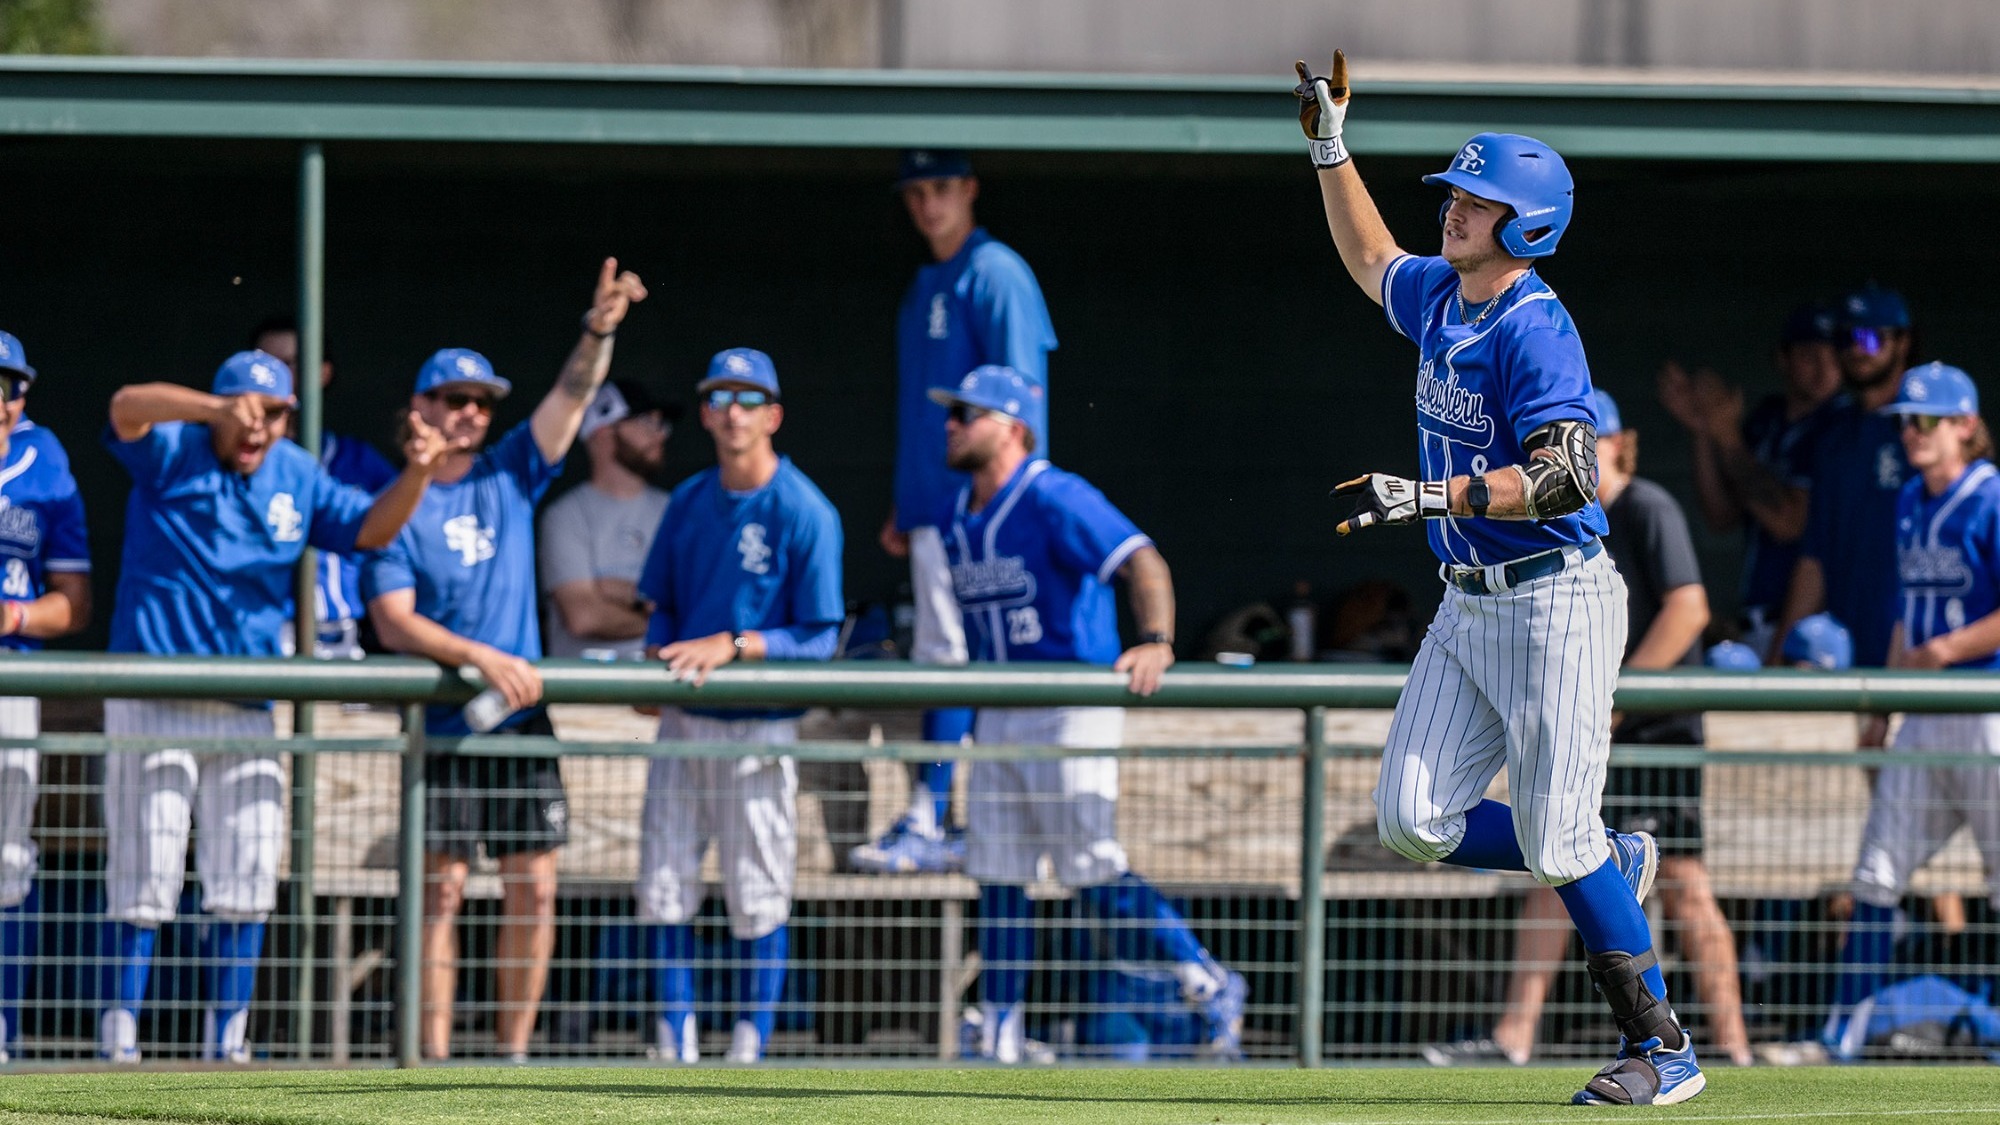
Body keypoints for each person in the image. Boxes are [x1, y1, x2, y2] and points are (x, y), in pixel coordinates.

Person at [1295, 52, 1702, 1104]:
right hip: (1467, 604)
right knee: (1410, 822)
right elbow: (1368, 255)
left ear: (1528, 225)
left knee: (1553, 837)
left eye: (1478, 202)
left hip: (1555, 596)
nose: (1455, 212)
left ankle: (1664, 1052)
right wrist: (1328, 146)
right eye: (1456, 195)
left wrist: (1431, 498)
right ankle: (1605, 854)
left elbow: (1568, 476)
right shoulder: (1441, 297)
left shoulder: (1535, 326)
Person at [99, 348, 445, 1063]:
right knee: (144, 874)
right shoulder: (179, 446)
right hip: (155, 690)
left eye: (278, 412)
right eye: (251, 411)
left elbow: (370, 529)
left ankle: (229, 1043)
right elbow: (126, 404)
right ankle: (118, 1042)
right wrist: (210, 408)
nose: (261, 425)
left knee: (247, 877)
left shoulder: (295, 470)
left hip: (247, 700)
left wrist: (419, 471)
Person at [364, 258, 648, 1061]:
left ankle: (513, 1059)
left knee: (535, 885)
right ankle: (434, 1063)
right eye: (454, 399)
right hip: (448, 720)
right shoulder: (400, 501)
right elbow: (392, 621)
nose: (468, 413)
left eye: (481, 402)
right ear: (419, 407)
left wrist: (599, 329)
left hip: (520, 715)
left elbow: (570, 399)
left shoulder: (512, 469)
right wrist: (480, 655)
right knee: (442, 892)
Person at [1422, 390, 1752, 1070]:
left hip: (1653, 729)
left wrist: (1617, 695)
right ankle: (1514, 1035)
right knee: (1555, 862)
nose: (1576, 456)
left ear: (1619, 442)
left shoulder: (1647, 506)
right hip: (1588, 715)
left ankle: (1735, 1045)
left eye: (1589, 442)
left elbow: (1689, 610)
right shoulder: (1556, 519)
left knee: (1687, 881)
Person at [934, 364, 1246, 1064]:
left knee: (1089, 863)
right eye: (951, 412)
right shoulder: (958, 514)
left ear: (1012, 425)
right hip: (1002, 704)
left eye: (967, 412)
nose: (952, 423)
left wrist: (1157, 641)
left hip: (1070, 700)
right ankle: (1001, 1024)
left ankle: (1205, 977)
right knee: (998, 868)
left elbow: (1142, 560)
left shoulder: (1053, 492)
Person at [632, 348, 843, 1064]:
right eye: (720, 397)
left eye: (749, 399)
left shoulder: (804, 508)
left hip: (760, 724)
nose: (733, 411)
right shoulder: (689, 499)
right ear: (704, 412)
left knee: (758, 892)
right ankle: (676, 1044)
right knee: (665, 885)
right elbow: (660, 607)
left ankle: (748, 1048)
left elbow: (820, 640)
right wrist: (655, 659)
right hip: (683, 721)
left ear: (774, 415)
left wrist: (736, 643)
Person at [856, 148, 1058, 875]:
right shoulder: (925, 281)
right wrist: (907, 503)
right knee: (943, 656)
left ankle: (933, 814)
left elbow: (1019, 400)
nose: (927, 204)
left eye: (941, 188)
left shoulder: (995, 269)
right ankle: (943, 813)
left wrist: (1012, 502)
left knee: (962, 659)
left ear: (969, 190)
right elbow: (926, 412)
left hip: (985, 513)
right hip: (934, 508)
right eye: (914, 192)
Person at [1824, 362, 2000, 1061]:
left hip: (1985, 703)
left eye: (1925, 420)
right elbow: (1904, 615)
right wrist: (1889, 696)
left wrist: (1946, 649)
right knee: (1878, 870)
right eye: (1904, 420)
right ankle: (1847, 1028)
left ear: (1964, 426)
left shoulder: (1990, 497)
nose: (1911, 432)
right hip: (1925, 711)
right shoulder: (1907, 501)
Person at [0, 331, 91, 1062]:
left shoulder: (44, 459)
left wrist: (16, 615)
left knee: (5, 860)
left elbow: (74, 601)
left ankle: (0, 1032)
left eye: (3, 384)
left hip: (11, 678)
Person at [1658, 305, 1841, 656]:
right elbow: (1721, 515)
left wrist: (1726, 437)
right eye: (1808, 354)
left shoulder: (1838, 425)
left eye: (1833, 353)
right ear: (1782, 359)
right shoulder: (1768, 420)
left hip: (1813, 627)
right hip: (1757, 617)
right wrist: (1703, 433)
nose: (1824, 366)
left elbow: (1788, 522)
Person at [1771, 286, 1916, 674]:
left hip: (1914, 648)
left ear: (1902, 343)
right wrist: (1777, 657)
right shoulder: (1835, 438)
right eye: (1846, 338)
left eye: (1870, 337)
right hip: (1841, 651)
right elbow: (1814, 558)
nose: (1857, 349)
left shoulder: (1923, 433)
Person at [251, 316, 399, 660]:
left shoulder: (356, 460)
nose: (280, 377)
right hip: (262, 633)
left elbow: (397, 532)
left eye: (292, 363)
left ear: (323, 373)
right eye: (266, 364)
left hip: (341, 635)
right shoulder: (229, 462)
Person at [538, 379, 676, 660]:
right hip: (588, 698)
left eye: (662, 424)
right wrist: (665, 622)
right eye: (646, 422)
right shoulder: (565, 516)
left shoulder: (676, 508)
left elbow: (694, 605)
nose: (659, 435)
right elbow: (584, 617)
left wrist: (619, 590)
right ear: (603, 430)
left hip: (665, 693)